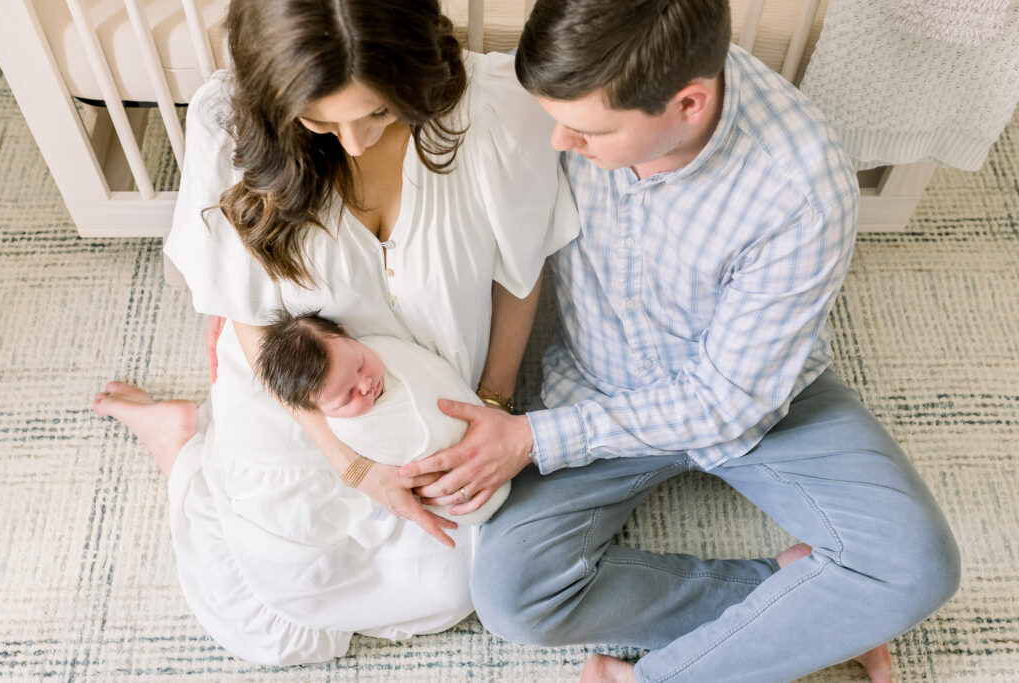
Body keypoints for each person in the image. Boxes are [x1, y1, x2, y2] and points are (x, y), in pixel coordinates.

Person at [401, 1, 961, 681]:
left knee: (915, 566)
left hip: (762, 402)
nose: (559, 145)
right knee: (513, 596)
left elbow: (729, 402)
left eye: (588, 132)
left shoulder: (802, 185)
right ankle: (795, 603)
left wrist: (531, 437)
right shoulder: (575, 105)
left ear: (689, 104)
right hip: (597, 382)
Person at [92, 0, 577, 666]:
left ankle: (188, 442)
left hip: (429, 402)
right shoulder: (228, 126)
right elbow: (251, 317)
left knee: (455, 583)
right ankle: (181, 446)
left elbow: (522, 273)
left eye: (379, 112)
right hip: (300, 400)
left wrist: (493, 400)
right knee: (278, 616)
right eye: (321, 121)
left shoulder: (493, 113)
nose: (353, 143)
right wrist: (352, 464)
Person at [254, 309, 510, 524]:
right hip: (460, 493)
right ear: (320, 411)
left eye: (360, 365)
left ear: (346, 335)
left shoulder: (382, 348)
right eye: (347, 396)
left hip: (495, 434)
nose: (365, 385)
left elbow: (434, 373)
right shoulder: (352, 429)